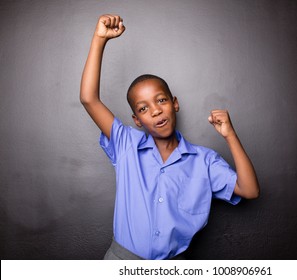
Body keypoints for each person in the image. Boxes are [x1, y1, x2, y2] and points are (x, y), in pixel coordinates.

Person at [80, 14, 260, 260]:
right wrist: (100, 39)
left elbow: (249, 190)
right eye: (143, 109)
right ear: (136, 120)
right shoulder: (126, 144)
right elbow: (89, 99)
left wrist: (230, 135)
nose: (155, 111)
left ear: (174, 103)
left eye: (161, 100)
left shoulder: (204, 161)